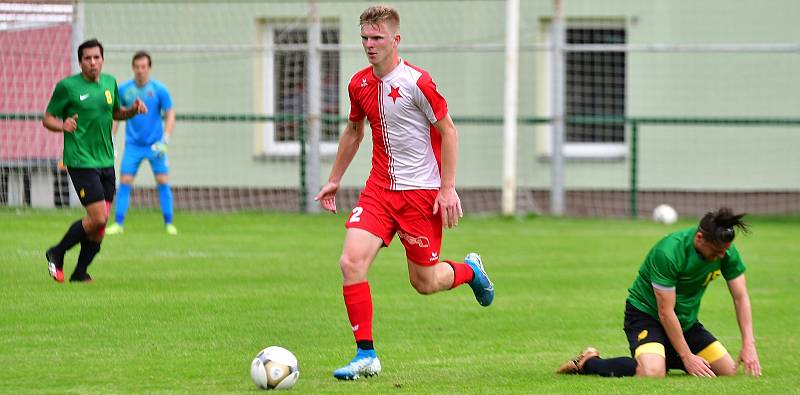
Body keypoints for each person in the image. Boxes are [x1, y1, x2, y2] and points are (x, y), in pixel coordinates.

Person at [313, 5, 494, 381]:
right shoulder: (359, 84)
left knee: (424, 283)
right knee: (350, 263)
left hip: (419, 196)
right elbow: (354, 131)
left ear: (396, 39)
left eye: (377, 37)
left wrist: (447, 189)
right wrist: (334, 178)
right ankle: (366, 355)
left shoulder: (418, 82)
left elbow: (449, 132)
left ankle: (470, 271)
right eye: (364, 37)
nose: (369, 44)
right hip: (378, 191)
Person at [556, 207, 762, 378]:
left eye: (725, 252)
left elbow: (740, 297)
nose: (721, 257)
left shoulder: (725, 252)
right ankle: (589, 362)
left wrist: (748, 344)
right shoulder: (669, 253)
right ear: (700, 238)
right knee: (652, 373)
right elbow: (665, 311)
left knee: (727, 371)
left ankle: (667, 353)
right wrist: (687, 357)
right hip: (647, 315)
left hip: (685, 323)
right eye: (716, 252)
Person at [43, 39, 147, 283]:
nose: (92, 62)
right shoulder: (67, 87)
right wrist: (62, 125)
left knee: (99, 229)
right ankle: (56, 252)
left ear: (102, 60)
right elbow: (47, 118)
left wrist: (131, 111)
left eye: (96, 58)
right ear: (80, 62)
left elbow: (115, 113)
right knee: (99, 218)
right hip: (80, 160)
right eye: (87, 58)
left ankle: (80, 272)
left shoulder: (110, 83)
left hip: (105, 161)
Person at [106, 51, 177, 235]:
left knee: (162, 180)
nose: (140, 70)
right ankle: (118, 224)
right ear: (133, 67)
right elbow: (116, 115)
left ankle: (169, 223)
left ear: (149, 68)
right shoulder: (123, 90)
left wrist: (165, 140)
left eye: (143, 67)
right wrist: (110, 139)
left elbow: (170, 114)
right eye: (137, 67)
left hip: (155, 145)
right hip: (133, 145)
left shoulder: (159, 90)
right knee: (125, 180)